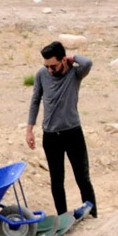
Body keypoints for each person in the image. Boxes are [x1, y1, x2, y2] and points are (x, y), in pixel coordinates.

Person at [26, 41, 97, 217]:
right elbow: (35, 100)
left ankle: (92, 214)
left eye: (54, 65)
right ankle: (62, 216)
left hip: (73, 132)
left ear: (63, 59)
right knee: (57, 180)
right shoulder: (42, 74)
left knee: (83, 177)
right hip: (50, 136)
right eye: (47, 66)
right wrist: (29, 130)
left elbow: (87, 62)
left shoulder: (75, 73)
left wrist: (72, 59)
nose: (50, 70)